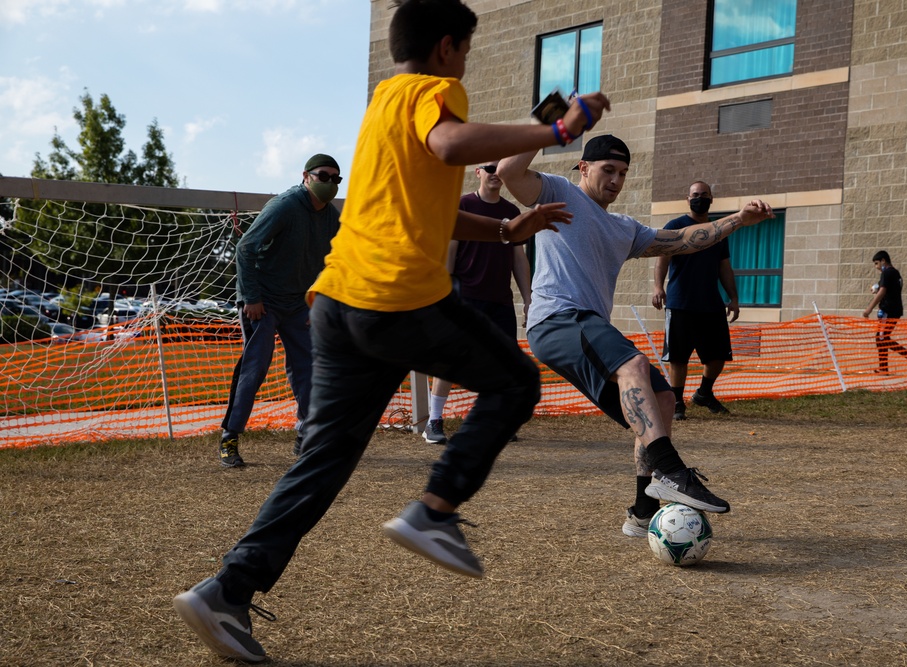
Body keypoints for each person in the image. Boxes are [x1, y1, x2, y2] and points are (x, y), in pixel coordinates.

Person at [173, 0, 611, 662]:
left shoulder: (384, 101)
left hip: (338, 303)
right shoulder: (437, 92)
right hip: (394, 300)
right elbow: (449, 143)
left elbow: (423, 203)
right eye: (465, 50)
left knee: (323, 461)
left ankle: (226, 590)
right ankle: (434, 510)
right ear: (445, 48)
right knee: (517, 381)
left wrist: (500, 229)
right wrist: (553, 130)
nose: (465, 63)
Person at [497, 134, 773, 539]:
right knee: (634, 364)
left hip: (587, 325)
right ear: (584, 168)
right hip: (556, 319)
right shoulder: (559, 192)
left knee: (662, 400)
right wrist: (552, 128)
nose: (616, 179)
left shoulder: (621, 228)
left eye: (623, 173)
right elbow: (508, 171)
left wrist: (738, 220)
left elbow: (682, 241)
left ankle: (643, 511)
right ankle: (673, 471)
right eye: (608, 170)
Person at [218, 154, 342, 467]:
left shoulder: (330, 216)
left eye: (336, 179)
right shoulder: (285, 206)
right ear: (306, 176)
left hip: (298, 302)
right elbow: (245, 248)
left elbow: (339, 257)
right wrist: (252, 296)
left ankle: (307, 433)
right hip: (263, 301)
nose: (329, 183)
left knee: (308, 367)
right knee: (255, 366)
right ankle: (229, 438)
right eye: (323, 176)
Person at [422, 161, 531, 444]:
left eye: (500, 167)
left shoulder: (511, 213)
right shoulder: (462, 206)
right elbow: (449, 251)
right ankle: (434, 422)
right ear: (478, 172)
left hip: (500, 301)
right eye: (489, 167)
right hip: (465, 298)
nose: (495, 172)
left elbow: (519, 259)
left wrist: (529, 300)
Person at [651, 181, 738, 420]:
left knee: (718, 357)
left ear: (712, 198)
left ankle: (704, 393)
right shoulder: (676, 226)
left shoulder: (718, 230)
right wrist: (658, 287)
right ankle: (677, 402)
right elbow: (662, 259)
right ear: (688, 199)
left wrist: (733, 298)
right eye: (695, 195)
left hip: (711, 304)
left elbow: (725, 267)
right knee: (678, 357)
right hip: (681, 303)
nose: (699, 198)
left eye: (704, 195)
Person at [863, 250, 907, 374]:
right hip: (895, 310)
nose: (876, 267)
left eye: (877, 263)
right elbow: (890, 291)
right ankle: (884, 368)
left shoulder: (887, 272)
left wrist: (868, 309)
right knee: (881, 338)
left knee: (882, 338)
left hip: (888, 310)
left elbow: (882, 292)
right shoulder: (896, 273)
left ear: (883, 261)